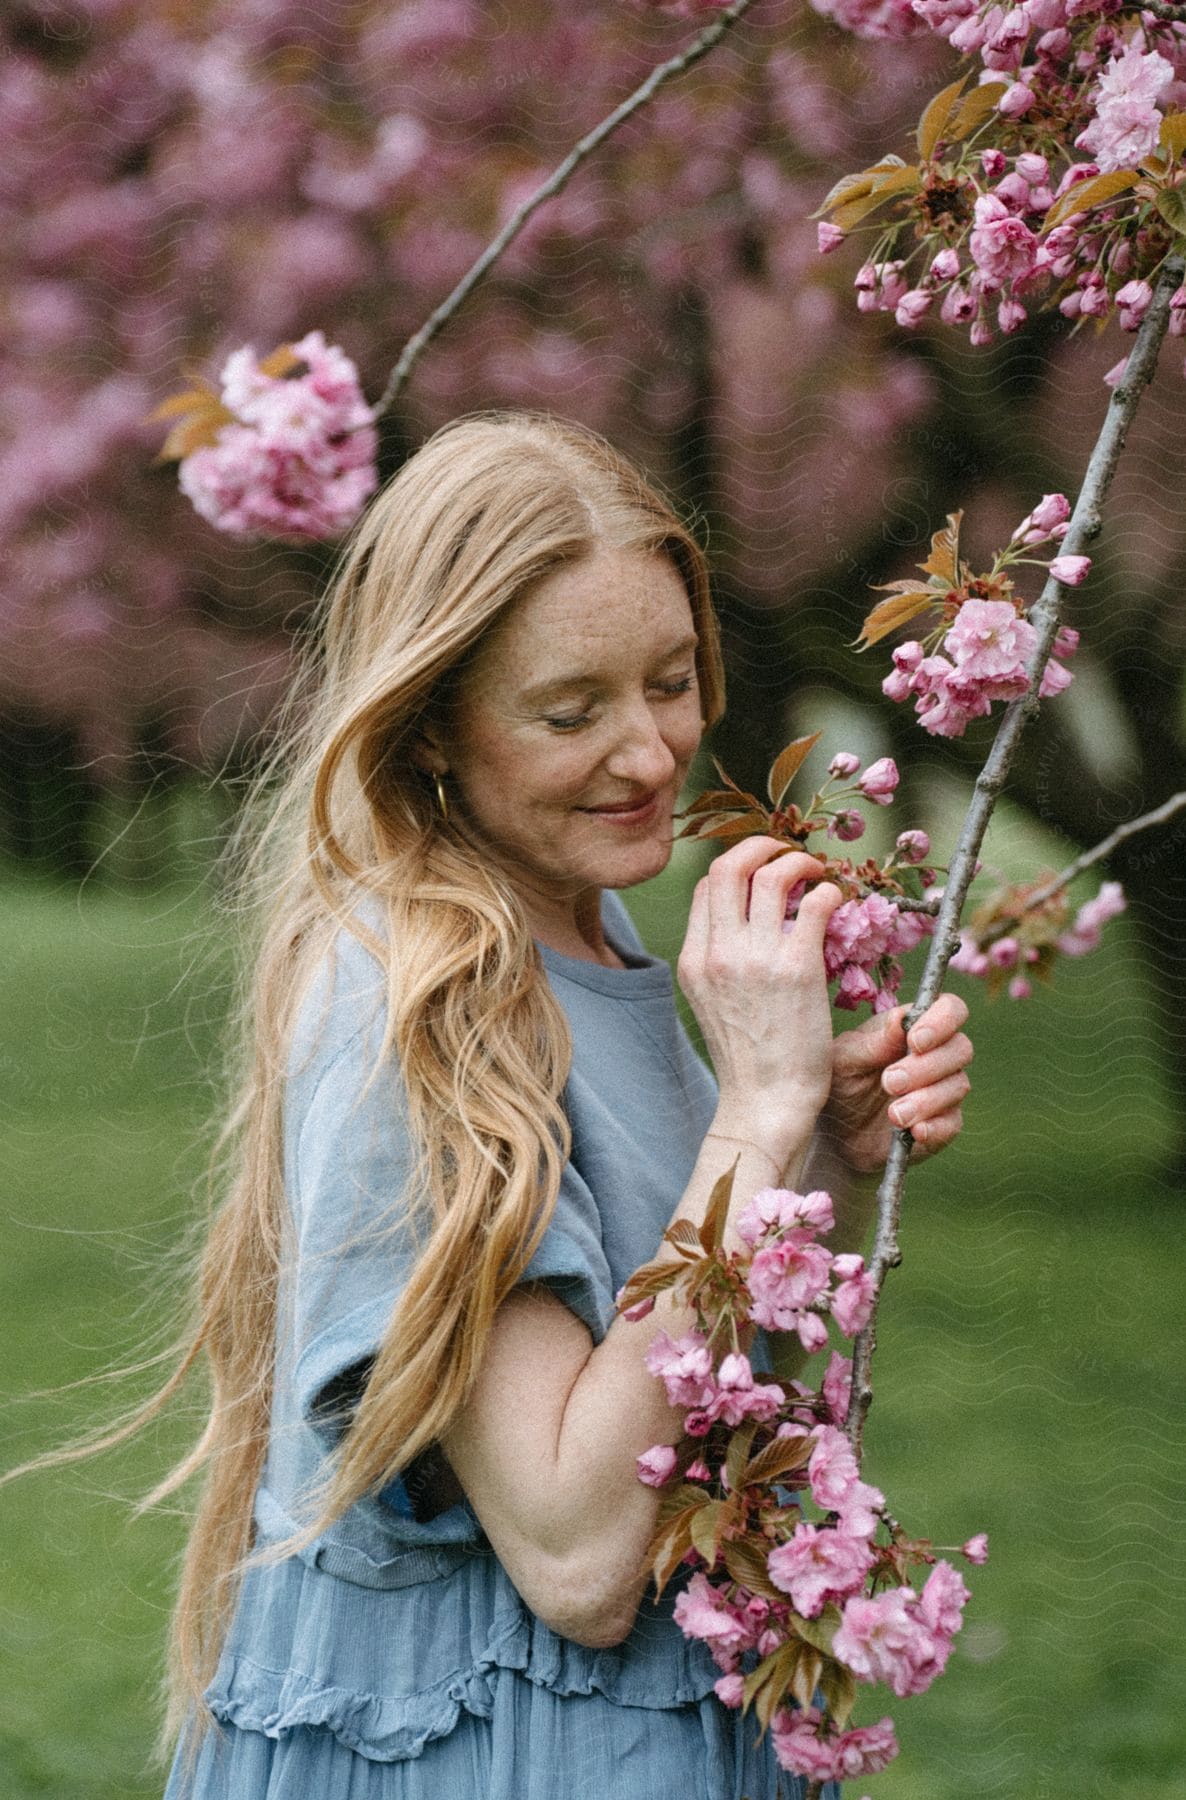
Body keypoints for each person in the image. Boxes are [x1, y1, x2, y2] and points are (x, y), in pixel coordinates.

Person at [147, 409, 972, 1798]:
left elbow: (657, 1341)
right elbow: (574, 1546)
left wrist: (811, 1142)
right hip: (493, 1746)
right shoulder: (421, 998)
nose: (649, 753)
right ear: (429, 733)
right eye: (569, 710)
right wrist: (752, 1113)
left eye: (669, 679)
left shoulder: (583, 937)